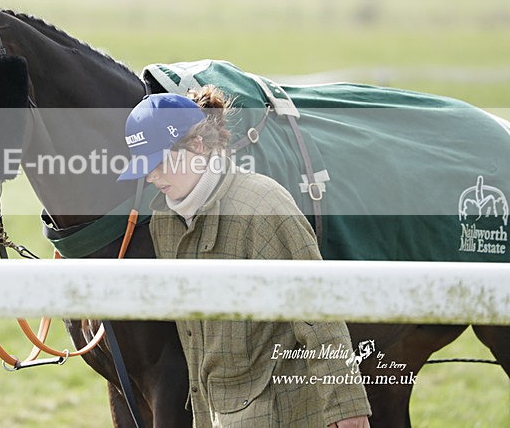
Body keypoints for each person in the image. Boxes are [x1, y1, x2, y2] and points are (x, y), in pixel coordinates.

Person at [118, 89, 371, 428]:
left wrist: (346, 409)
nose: (151, 177)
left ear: (196, 146)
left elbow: (318, 313)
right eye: (144, 168)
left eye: (159, 163)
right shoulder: (164, 222)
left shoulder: (263, 205)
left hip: (288, 414)